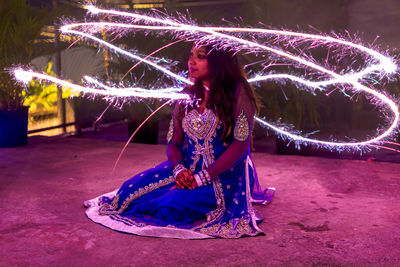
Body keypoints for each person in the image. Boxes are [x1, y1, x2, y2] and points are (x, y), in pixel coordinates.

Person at [85, 45, 275, 239]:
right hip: (186, 169)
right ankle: (178, 184)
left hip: (226, 175)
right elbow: (174, 143)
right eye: (191, 55)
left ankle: (185, 195)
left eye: (200, 57)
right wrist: (179, 170)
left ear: (219, 61)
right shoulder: (187, 95)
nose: (191, 62)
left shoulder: (238, 91)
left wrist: (202, 178)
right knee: (126, 192)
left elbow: (240, 147)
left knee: (171, 207)